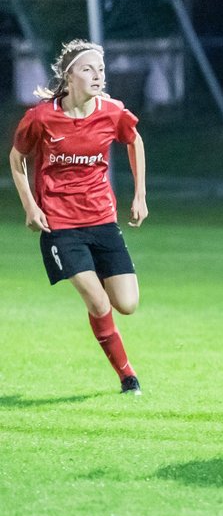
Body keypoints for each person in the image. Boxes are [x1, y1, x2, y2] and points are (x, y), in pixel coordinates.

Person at [9, 39, 149, 394]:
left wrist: (140, 194)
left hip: (102, 219)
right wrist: (30, 204)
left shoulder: (112, 111)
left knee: (127, 305)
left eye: (101, 69)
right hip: (60, 226)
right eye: (89, 69)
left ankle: (96, 285)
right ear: (69, 76)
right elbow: (17, 158)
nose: (98, 75)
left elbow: (134, 141)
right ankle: (127, 377)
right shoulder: (41, 117)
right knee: (99, 302)